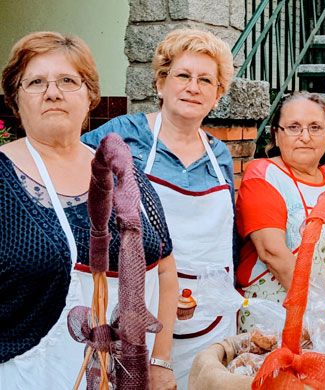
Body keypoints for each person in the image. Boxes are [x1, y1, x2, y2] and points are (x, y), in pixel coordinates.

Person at [0, 31, 178, 389]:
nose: (53, 92)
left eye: (68, 80)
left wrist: (160, 362)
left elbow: (165, 270)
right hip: (27, 376)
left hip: (125, 375)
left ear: (90, 95)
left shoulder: (124, 173)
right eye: (36, 82)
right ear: (16, 100)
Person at [82, 28, 235, 387]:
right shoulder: (123, 135)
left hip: (212, 319)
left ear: (217, 94)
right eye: (182, 75)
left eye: (205, 80)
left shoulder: (221, 155)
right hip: (141, 310)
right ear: (161, 83)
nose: (193, 87)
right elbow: (74, 180)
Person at [236, 92, 325, 330]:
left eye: (315, 127)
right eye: (294, 127)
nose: (305, 137)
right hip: (276, 314)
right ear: (276, 134)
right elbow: (272, 252)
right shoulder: (264, 174)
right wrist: (321, 309)